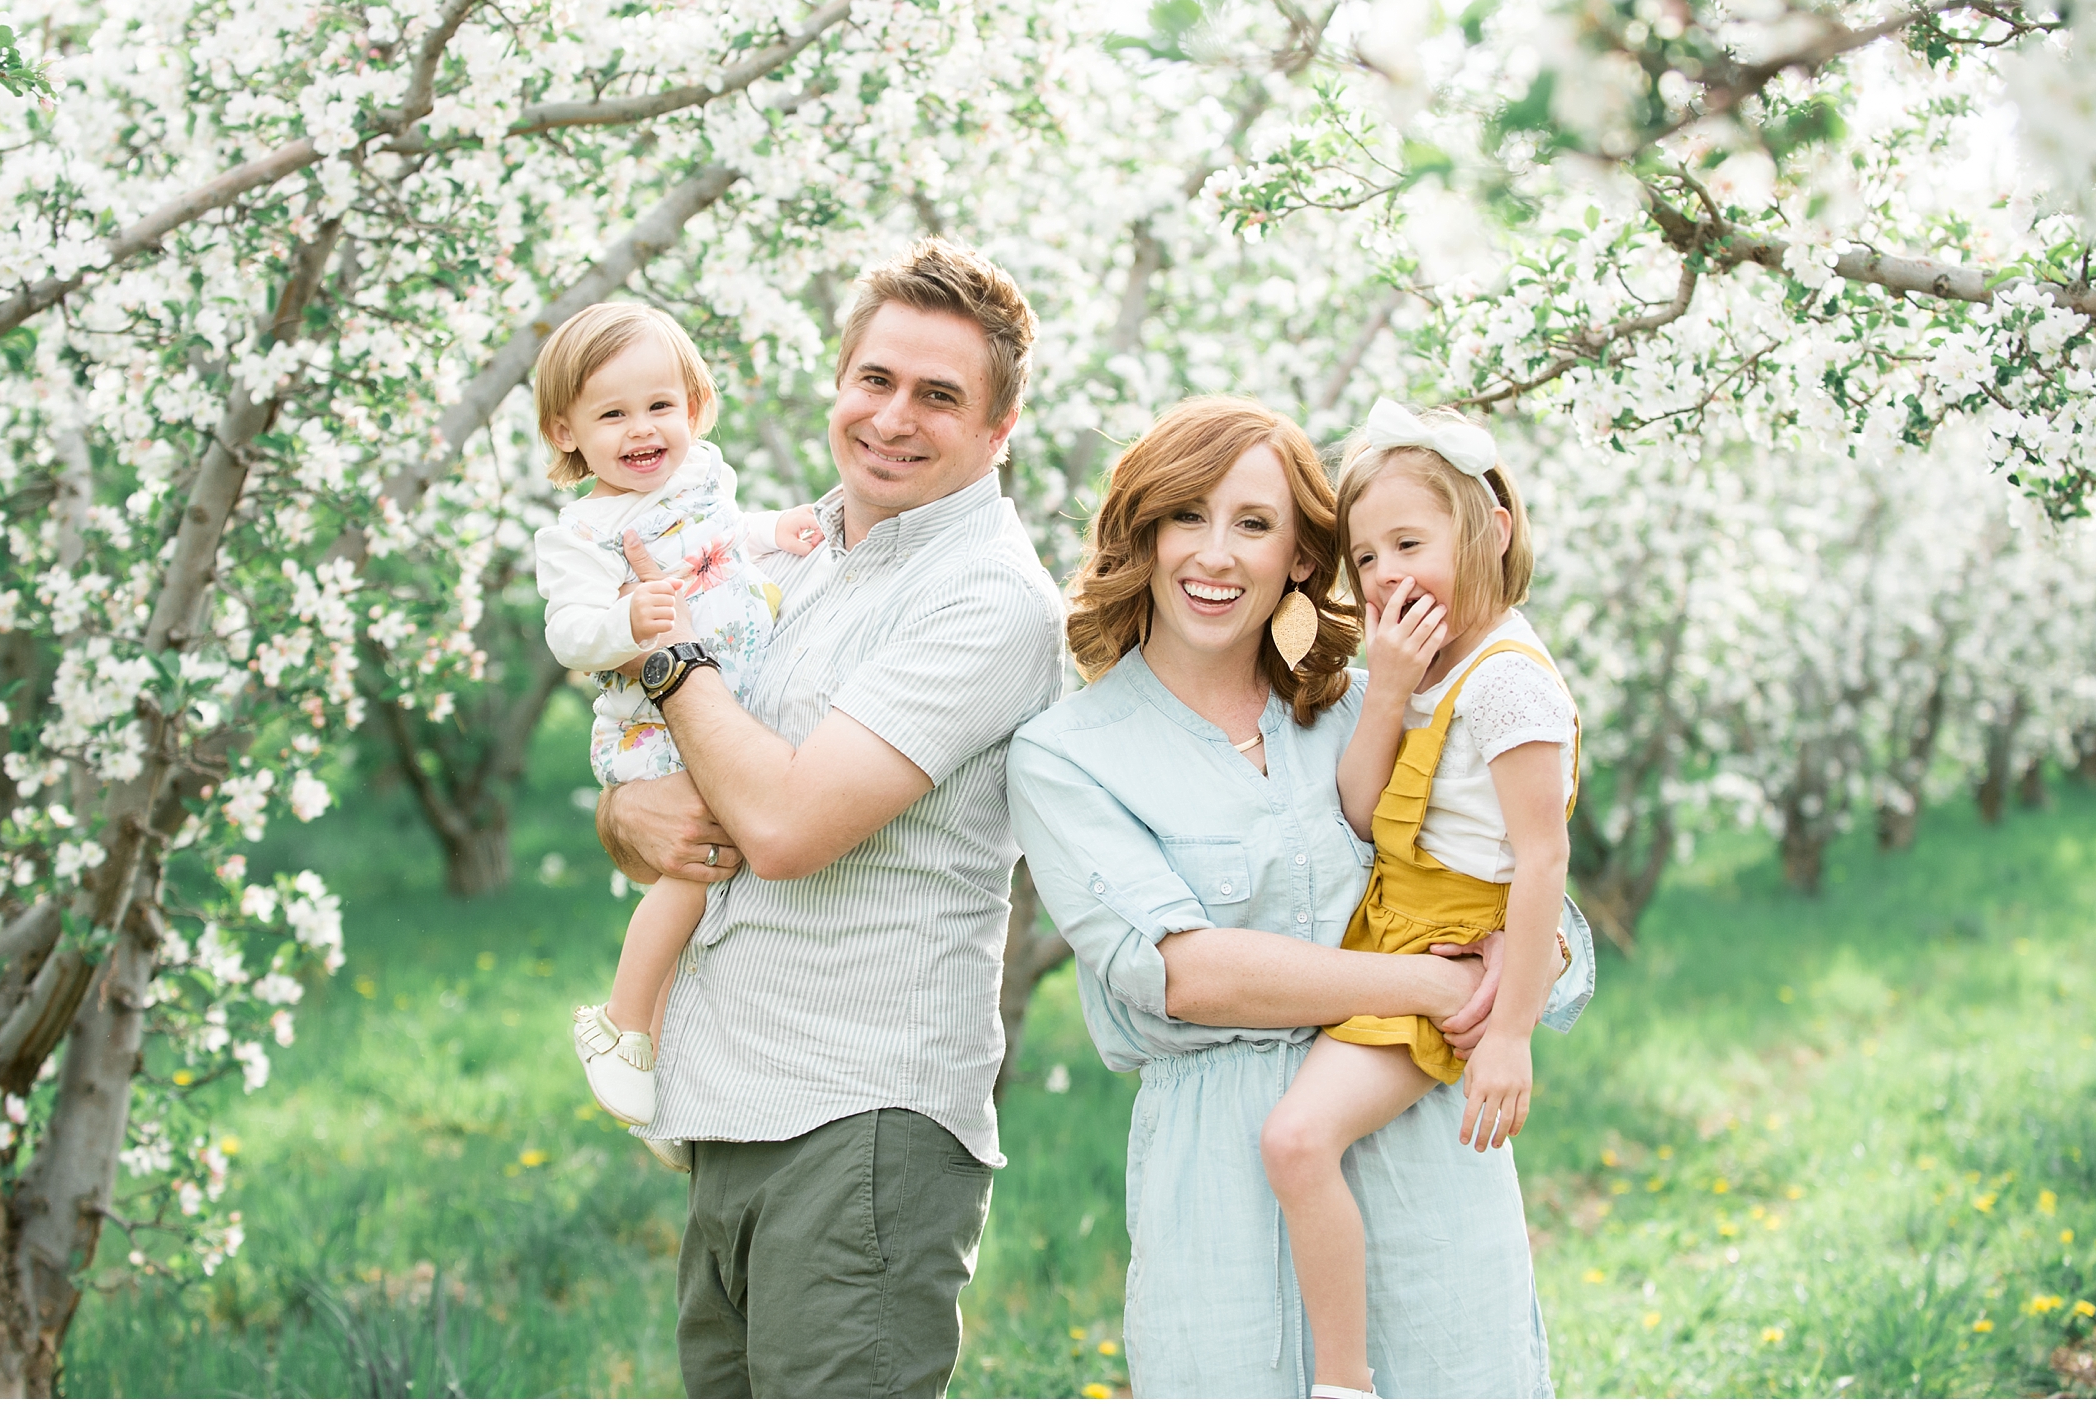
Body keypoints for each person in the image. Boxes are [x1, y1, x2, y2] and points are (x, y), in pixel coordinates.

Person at [1007, 396, 1594, 1399]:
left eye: (1254, 524)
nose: (1215, 555)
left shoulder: (1384, 705)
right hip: (1222, 1176)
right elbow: (1189, 974)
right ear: (1141, 535)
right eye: (1186, 516)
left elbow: (1524, 892)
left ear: (1301, 558)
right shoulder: (1067, 755)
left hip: (1421, 1149)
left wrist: (1519, 961)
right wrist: (1428, 980)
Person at [591, 239, 1068, 1398]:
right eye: (876, 381)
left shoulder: (987, 598)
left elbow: (792, 827)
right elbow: (661, 800)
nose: (894, 418)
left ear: (999, 428)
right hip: (731, 1102)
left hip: (861, 1119)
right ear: (839, 384)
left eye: (939, 396)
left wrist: (665, 651)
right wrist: (628, 817)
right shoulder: (785, 551)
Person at [1258, 401, 1580, 1398]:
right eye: (1365, 558)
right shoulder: (1430, 674)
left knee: (1297, 1137)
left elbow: (1540, 862)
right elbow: (1364, 812)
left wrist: (1512, 1031)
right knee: (1303, 1138)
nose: (1386, 573)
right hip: (1394, 922)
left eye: (1410, 541)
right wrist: (1386, 689)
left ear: (1490, 529)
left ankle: (1343, 1381)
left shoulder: (1508, 684)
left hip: (1443, 947)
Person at [530, 301, 823, 1142]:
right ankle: (623, 1027)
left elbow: (728, 541)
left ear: (693, 406)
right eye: (612, 415)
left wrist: (782, 531)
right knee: (692, 876)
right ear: (567, 431)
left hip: (724, 700)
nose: (641, 430)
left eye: (660, 406)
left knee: (716, 886)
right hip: (654, 727)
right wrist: (634, 621)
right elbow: (568, 633)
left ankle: (662, 1069)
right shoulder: (582, 532)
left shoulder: (702, 483)